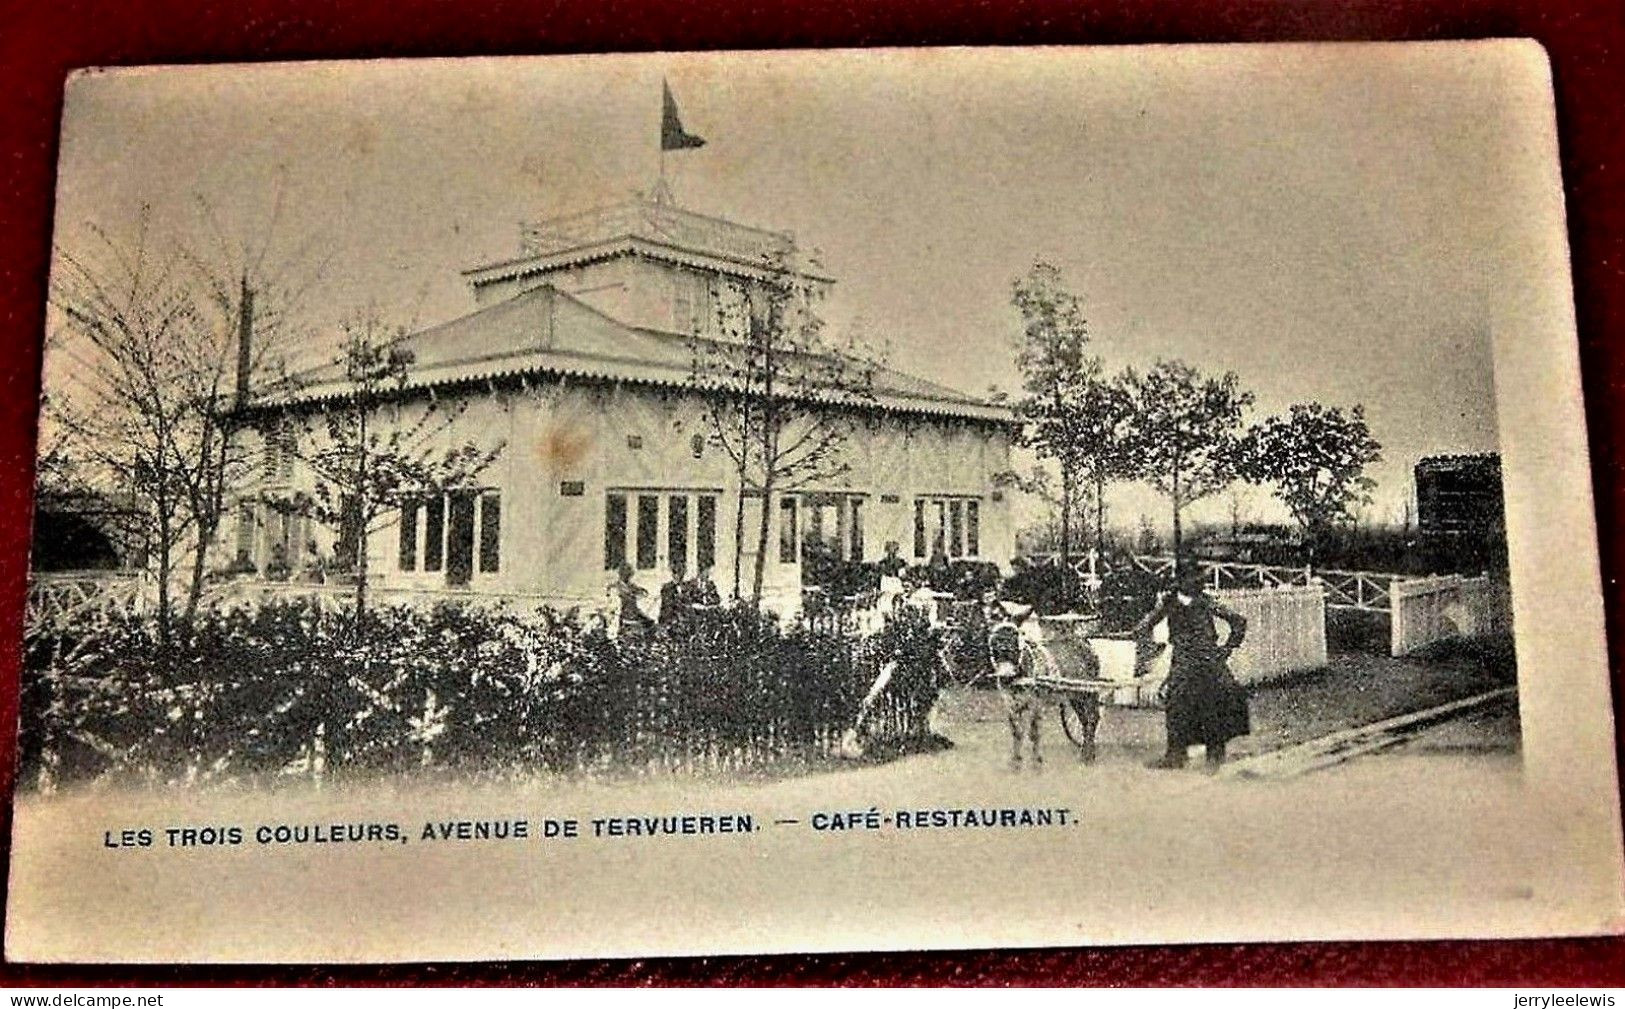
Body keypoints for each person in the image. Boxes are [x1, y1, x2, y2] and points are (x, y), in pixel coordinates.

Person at [1131, 564, 1249, 771]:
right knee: (1175, 704)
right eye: (1194, 579)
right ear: (1181, 581)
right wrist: (1149, 650)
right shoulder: (1169, 602)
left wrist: (1226, 649)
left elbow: (1238, 622)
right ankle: (1175, 755)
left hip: (1207, 658)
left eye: (1200, 579)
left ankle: (1215, 755)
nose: (1199, 583)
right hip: (1183, 658)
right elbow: (1144, 626)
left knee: (1213, 703)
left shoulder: (1207, 602)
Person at [607, 562, 653, 639]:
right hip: (624, 614)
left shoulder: (631, 585)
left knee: (650, 623)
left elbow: (643, 592)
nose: (628, 577)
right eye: (626, 575)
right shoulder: (616, 586)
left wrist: (642, 592)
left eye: (629, 575)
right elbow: (614, 604)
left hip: (634, 611)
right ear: (621, 575)